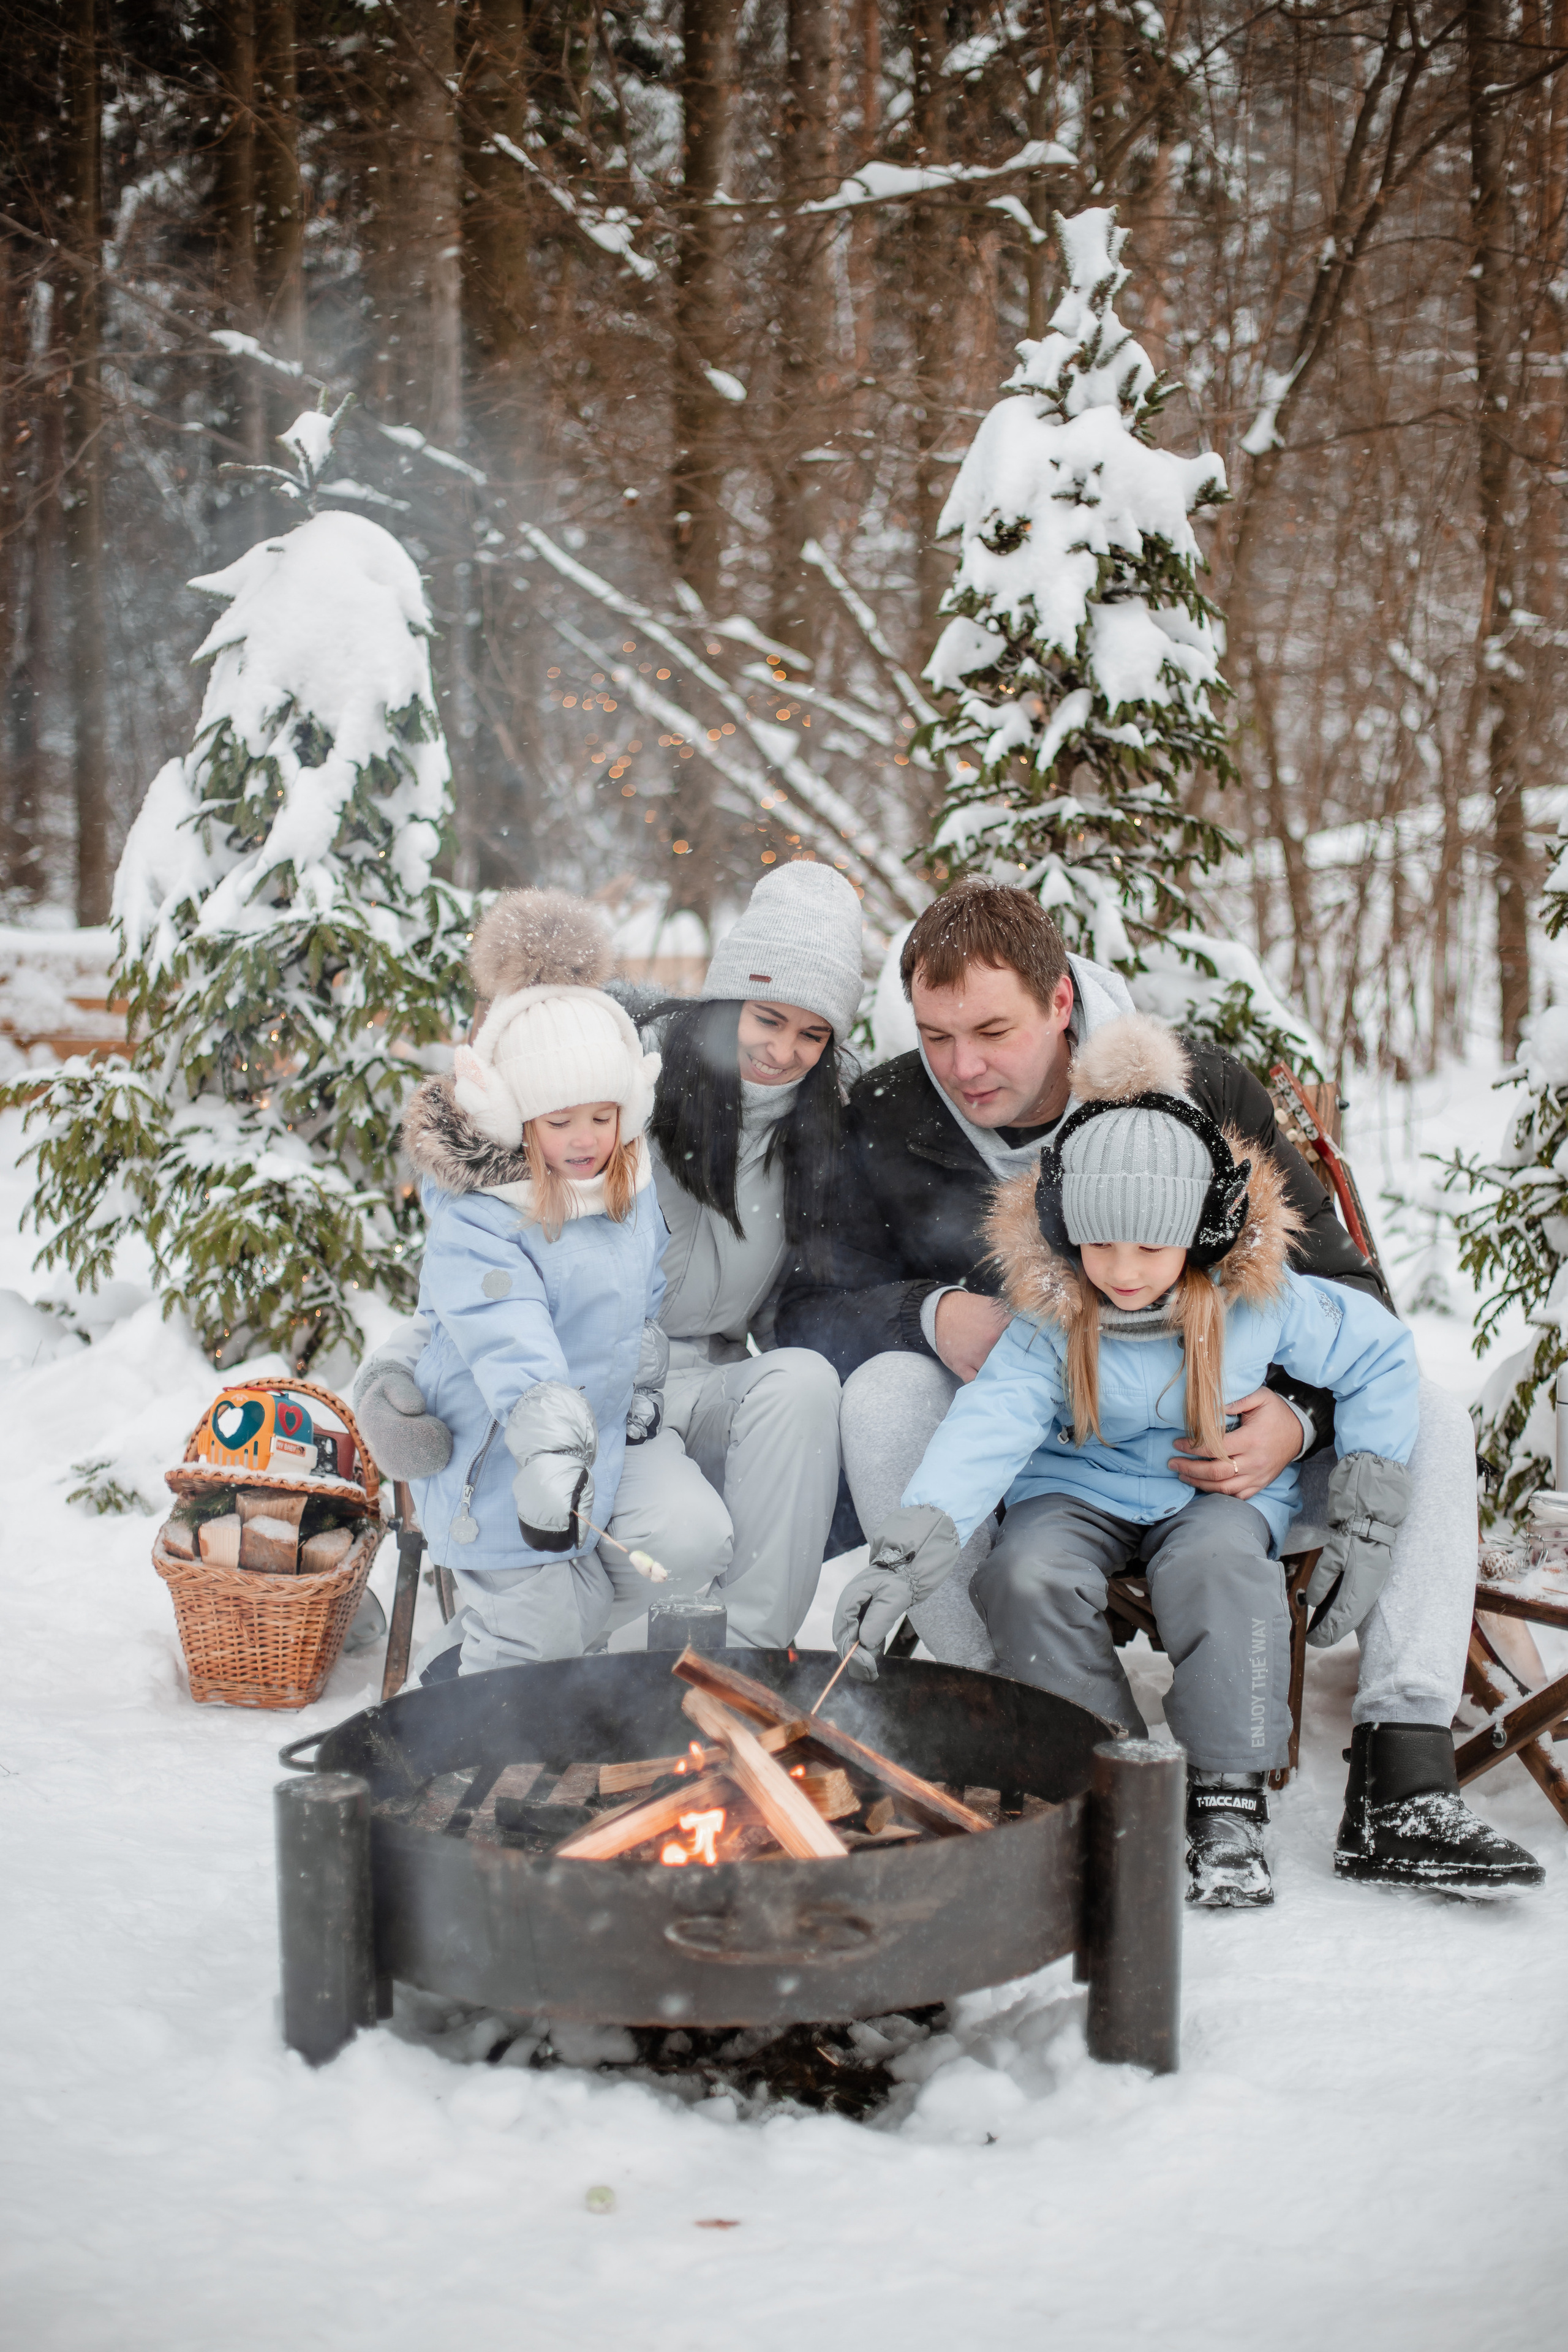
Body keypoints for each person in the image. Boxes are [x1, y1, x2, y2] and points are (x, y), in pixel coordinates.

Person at [779, 875, 1521, 1891]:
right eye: (936, 1034)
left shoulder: (1200, 1091)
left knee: (1430, 1409)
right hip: (1031, 1447)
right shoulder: (890, 1113)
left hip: (1221, 1443)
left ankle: (1404, 1771)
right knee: (883, 1395)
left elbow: (1354, 1299)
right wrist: (929, 1313)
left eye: (992, 1030)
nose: (963, 1066)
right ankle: (1009, 1726)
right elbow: (805, 1309)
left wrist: (1298, 1423)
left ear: (1061, 1004)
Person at [358, 860, 862, 1650]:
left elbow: (807, 1303)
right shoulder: (612, 1092)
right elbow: (488, 1267)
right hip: (580, 1386)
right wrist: (393, 1370)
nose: (784, 1051)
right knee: (626, 1536)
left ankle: (751, 1653)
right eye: (768, 1018)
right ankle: (537, 1650)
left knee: (803, 1381)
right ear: (728, 996)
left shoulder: (820, 1131)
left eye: (813, 1032)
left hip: (684, 1388)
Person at [392, 887, 696, 1678]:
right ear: (518, 1119)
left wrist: (643, 1371)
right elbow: (512, 1343)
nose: (587, 1140)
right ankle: (457, 1750)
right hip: (498, 1467)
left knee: (584, 1607)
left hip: (578, 1463)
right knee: (539, 1640)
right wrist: (553, 1452)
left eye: (603, 1116)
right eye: (561, 1123)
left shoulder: (622, 1192)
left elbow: (642, 1298)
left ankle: (460, 1662)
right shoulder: (481, 1218)